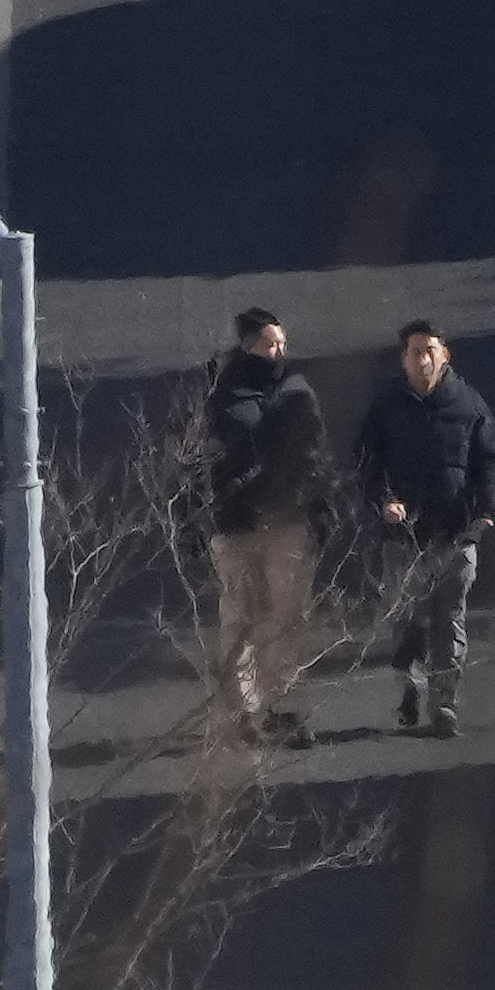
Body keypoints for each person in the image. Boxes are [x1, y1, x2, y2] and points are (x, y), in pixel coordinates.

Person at [352, 317, 495, 734]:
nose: (422, 359)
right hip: (403, 541)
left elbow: (492, 461)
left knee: (449, 620)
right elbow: (366, 463)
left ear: (445, 355)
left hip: (456, 534)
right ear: (403, 359)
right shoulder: (386, 407)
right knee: (406, 621)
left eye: (430, 351)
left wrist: (488, 510)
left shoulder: (469, 404)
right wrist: (384, 502)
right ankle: (410, 685)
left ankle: (444, 704)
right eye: (414, 352)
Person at [202, 308, 326, 740]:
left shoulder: (296, 390)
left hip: (287, 523)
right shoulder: (221, 396)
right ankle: (242, 712)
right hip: (236, 526)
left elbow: (314, 456)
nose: (279, 351)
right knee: (240, 620)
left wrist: (315, 506)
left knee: (288, 618)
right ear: (247, 345)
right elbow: (201, 459)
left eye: (282, 344)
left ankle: (280, 707)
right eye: (270, 344)